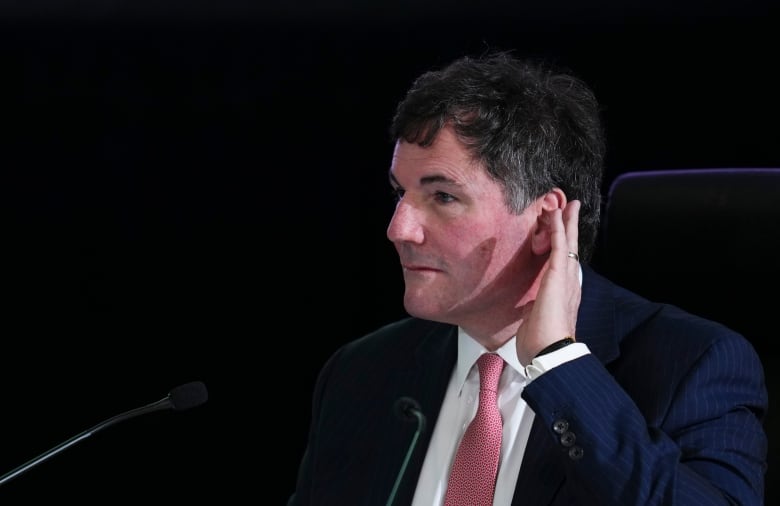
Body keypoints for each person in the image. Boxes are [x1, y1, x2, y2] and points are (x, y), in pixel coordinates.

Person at [288, 51, 768, 505]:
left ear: (544, 224)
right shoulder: (361, 372)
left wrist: (559, 365)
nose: (398, 229)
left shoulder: (692, 367)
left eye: (442, 197)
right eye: (401, 193)